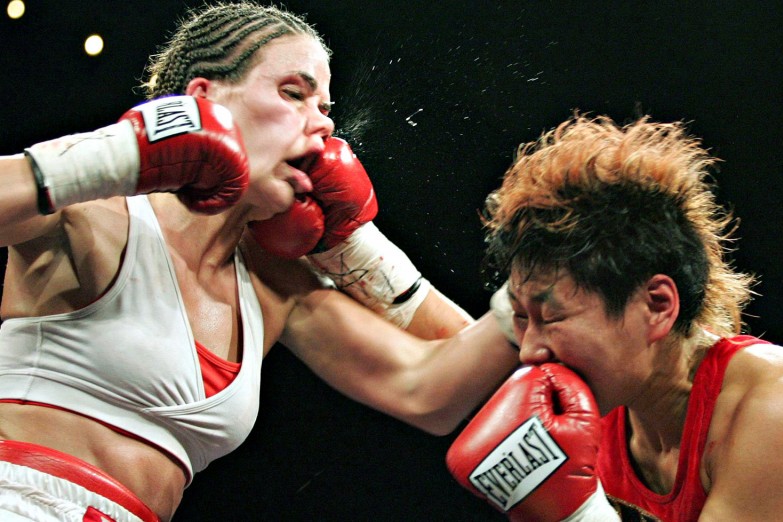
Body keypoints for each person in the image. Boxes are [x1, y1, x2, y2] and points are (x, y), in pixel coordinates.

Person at [0, 2, 519, 520]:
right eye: (294, 93)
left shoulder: (275, 284)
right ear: (203, 100)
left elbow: (426, 388)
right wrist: (113, 158)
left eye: (326, 108)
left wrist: (535, 290)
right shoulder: (97, 215)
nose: (323, 124)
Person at [445, 114, 783, 521]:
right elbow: (426, 379)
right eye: (522, 317)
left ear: (656, 306)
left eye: (552, 318)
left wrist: (576, 514)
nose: (528, 352)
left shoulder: (780, 413)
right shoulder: (601, 401)